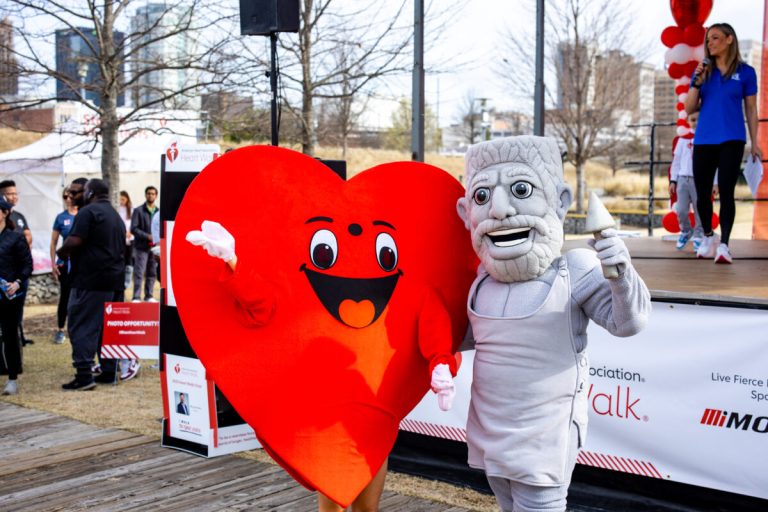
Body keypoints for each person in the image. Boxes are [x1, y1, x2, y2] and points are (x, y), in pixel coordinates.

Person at [456, 136, 651, 512]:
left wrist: (621, 274)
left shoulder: (573, 272)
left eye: (521, 189)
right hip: (490, 431)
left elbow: (628, 323)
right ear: (466, 212)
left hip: (545, 436)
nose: (499, 210)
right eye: (482, 197)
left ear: (559, 201)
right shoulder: (481, 282)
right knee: (507, 504)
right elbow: (464, 338)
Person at [684, 22, 762, 263]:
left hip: (732, 138)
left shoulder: (746, 72)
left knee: (727, 192)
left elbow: (750, 109)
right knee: (702, 193)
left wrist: (755, 141)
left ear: (729, 39)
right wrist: (696, 82)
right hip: (704, 139)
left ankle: (725, 245)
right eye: (708, 40)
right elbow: (688, 108)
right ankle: (708, 235)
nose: (710, 43)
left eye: (715, 38)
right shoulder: (703, 73)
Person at [57, 178, 126, 390]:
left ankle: (84, 375)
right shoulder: (115, 215)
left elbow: (75, 240)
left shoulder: (88, 213)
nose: (79, 195)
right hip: (115, 281)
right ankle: (109, 370)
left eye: (83, 191)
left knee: (82, 325)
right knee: (107, 328)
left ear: (91, 192)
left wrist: (62, 253)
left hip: (90, 280)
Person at [0, 199, 32, 395]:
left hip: (8, 295)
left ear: (4, 213)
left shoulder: (15, 238)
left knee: (9, 334)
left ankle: (12, 378)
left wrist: (17, 282)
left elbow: (27, 265)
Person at [669, 113, 713, 252]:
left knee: (700, 208)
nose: (696, 122)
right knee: (681, 209)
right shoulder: (682, 140)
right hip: (682, 179)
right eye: (693, 120)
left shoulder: (707, 139)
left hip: (699, 179)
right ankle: (686, 230)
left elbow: (713, 164)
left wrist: (714, 182)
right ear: (688, 121)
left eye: (699, 119)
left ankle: (699, 235)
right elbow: (676, 162)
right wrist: (673, 180)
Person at [0, 179, 33, 346]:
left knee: (16, 311)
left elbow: (28, 236)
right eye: (10, 193)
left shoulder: (18, 217)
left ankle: (18, 337)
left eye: (15, 193)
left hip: (17, 274)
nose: (14, 196)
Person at [50, 185, 80, 344]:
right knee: (65, 297)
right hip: (65, 264)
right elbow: (54, 242)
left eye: (71, 195)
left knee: (81, 297)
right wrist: (53, 263)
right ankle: (61, 330)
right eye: (65, 196)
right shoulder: (61, 217)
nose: (69, 199)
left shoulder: (84, 215)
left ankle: (78, 329)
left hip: (82, 264)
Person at [117, 190, 140, 381]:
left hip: (128, 249)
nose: (122, 201)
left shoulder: (132, 212)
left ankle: (128, 359)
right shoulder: (117, 212)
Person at [130, 186, 159, 302]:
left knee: (152, 272)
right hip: (141, 247)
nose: (150, 195)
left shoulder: (158, 211)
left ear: (156, 196)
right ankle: (136, 296)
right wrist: (147, 236)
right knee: (139, 272)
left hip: (154, 247)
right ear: (145, 195)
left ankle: (149, 295)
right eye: (148, 193)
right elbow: (134, 228)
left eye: (153, 194)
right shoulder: (138, 210)